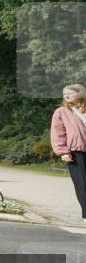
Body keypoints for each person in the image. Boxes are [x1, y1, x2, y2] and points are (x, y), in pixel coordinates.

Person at [50, 83, 86, 221]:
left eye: (70, 93)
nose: (66, 95)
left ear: (80, 93)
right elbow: (57, 133)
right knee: (82, 184)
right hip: (76, 153)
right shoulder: (61, 112)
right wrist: (63, 151)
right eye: (64, 93)